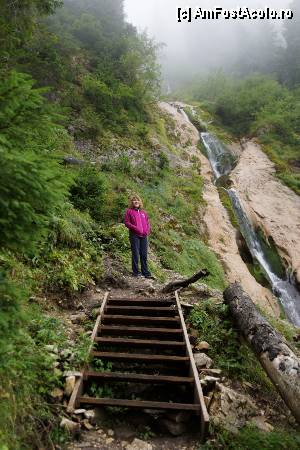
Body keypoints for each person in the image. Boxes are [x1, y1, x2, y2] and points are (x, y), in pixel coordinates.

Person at [124, 195, 153, 278]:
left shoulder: (143, 212)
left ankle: (145, 273)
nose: (136, 201)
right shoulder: (129, 211)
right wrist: (136, 228)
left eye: (137, 200)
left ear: (140, 202)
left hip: (144, 236)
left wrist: (147, 231)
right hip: (134, 235)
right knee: (136, 254)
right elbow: (126, 223)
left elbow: (148, 223)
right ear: (132, 202)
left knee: (144, 254)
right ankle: (136, 272)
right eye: (134, 200)